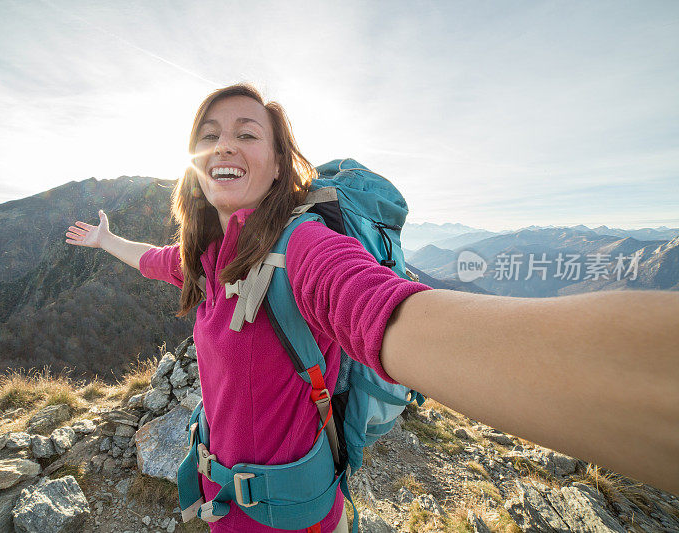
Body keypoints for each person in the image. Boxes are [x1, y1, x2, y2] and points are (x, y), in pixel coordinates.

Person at [66, 83, 679, 531]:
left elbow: (385, 311)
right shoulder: (208, 260)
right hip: (221, 505)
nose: (225, 144)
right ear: (195, 166)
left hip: (292, 523)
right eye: (210, 135)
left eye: (247, 133)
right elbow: (156, 259)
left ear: (279, 165)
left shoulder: (303, 248)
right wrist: (104, 240)